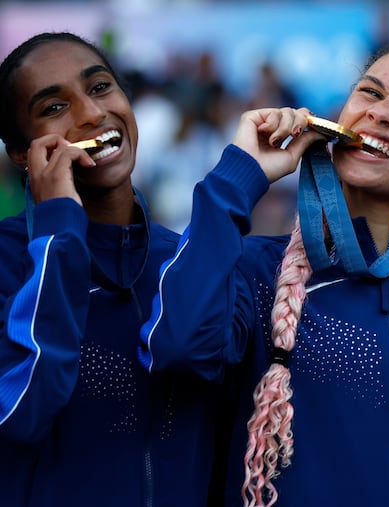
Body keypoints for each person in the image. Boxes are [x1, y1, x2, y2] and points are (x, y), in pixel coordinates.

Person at [139, 41, 389, 507]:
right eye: (370, 93)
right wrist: (239, 178)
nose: (381, 114)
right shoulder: (257, 270)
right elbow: (177, 346)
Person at [0, 32, 220, 506]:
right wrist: (58, 233)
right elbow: (24, 411)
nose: (92, 114)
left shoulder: (181, 259)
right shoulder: (6, 260)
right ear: (21, 152)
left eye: (100, 88)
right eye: (53, 107)